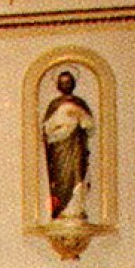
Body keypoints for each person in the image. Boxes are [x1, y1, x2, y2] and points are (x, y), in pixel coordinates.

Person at [42, 70, 94, 221]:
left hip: (76, 147)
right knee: (60, 178)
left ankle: (75, 209)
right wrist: (62, 126)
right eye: (63, 82)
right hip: (59, 150)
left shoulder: (79, 103)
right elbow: (46, 129)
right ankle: (61, 210)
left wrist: (79, 117)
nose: (66, 85)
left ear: (73, 84)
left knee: (77, 174)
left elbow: (90, 126)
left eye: (68, 82)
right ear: (59, 86)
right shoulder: (54, 105)